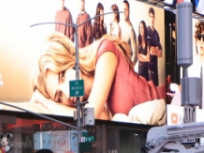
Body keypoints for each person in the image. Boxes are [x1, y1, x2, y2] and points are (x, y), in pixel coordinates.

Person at [32, 33, 165, 123]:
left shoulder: (105, 52)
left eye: (62, 76)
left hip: (171, 104)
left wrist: (44, 102)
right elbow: (97, 119)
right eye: (58, 96)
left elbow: (89, 119)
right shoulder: (90, 105)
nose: (67, 93)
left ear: (71, 59)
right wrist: (50, 104)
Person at [145, 7, 163, 86]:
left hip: (156, 70)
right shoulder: (147, 31)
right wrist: (155, 49)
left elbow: (160, 53)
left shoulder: (156, 34)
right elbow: (150, 50)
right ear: (148, 18)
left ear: (154, 18)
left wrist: (155, 50)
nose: (152, 19)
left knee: (157, 95)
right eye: (150, 17)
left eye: (153, 17)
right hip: (149, 70)